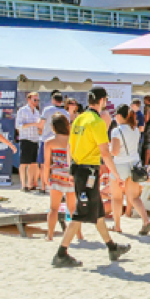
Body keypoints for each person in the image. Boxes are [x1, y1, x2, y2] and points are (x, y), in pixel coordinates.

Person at [52, 87, 131, 268]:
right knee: (81, 213)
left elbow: (70, 147)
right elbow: (105, 152)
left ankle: (112, 247)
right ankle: (61, 253)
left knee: (98, 213)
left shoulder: (79, 119)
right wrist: (116, 175)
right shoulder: (96, 122)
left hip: (79, 170)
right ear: (103, 100)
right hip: (89, 172)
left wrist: (71, 170)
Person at [109, 105, 150, 235]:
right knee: (134, 197)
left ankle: (117, 225)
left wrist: (108, 148)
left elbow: (115, 152)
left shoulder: (116, 131)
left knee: (116, 198)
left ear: (120, 116)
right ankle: (145, 220)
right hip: (134, 165)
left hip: (120, 165)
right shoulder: (135, 130)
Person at [41, 113, 84, 243]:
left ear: (53, 127)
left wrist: (45, 178)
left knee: (54, 208)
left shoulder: (49, 142)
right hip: (71, 176)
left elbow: (47, 163)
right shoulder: (74, 139)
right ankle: (79, 235)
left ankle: (50, 235)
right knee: (73, 209)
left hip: (57, 176)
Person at [16, 91, 42, 192]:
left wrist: (39, 128)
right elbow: (18, 126)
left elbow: (38, 125)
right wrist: (33, 124)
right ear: (29, 100)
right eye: (34, 100)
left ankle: (30, 184)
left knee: (33, 163)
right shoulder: (22, 110)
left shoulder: (37, 112)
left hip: (35, 139)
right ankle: (23, 184)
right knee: (24, 163)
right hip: (25, 139)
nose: (36, 102)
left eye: (37, 100)